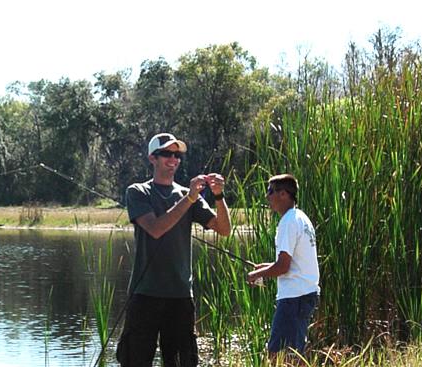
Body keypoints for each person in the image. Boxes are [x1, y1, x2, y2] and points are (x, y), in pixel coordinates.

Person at [116, 132, 232, 367]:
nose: (173, 159)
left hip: (179, 295)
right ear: (152, 158)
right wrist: (189, 199)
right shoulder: (138, 192)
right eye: (167, 154)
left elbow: (223, 229)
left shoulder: (188, 196)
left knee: (181, 362)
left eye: (176, 155)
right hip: (145, 293)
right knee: (135, 360)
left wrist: (218, 196)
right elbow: (156, 229)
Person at [246, 173, 319, 359]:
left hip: (294, 297)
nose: (267, 197)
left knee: (276, 353)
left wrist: (256, 274)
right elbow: (291, 263)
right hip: (305, 293)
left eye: (271, 191)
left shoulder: (287, 222)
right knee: (296, 353)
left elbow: (283, 267)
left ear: (284, 194)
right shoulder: (300, 218)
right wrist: (267, 267)